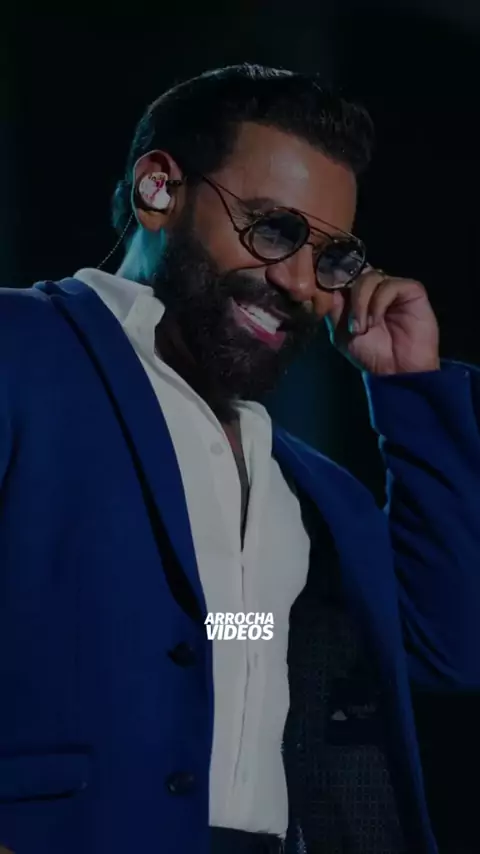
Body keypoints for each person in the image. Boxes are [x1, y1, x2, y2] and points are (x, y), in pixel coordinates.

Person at [0, 63, 479, 854]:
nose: (299, 282)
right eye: (274, 229)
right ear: (159, 190)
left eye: (330, 257)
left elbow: (444, 650)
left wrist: (411, 392)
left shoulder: (314, 489)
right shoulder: (20, 348)